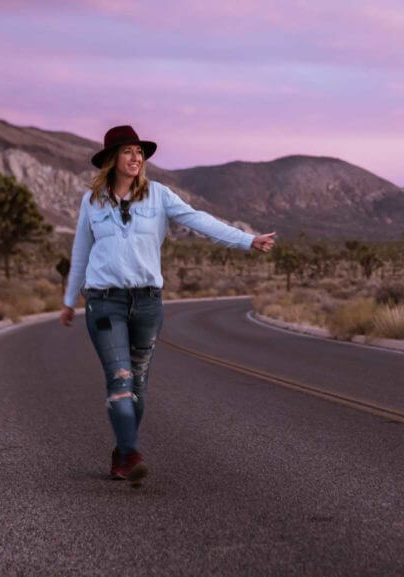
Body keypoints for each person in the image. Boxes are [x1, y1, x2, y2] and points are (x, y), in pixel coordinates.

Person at [59, 125, 276, 486]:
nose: (136, 158)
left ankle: (122, 450)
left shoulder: (159, 196)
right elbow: (81, 251)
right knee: (120, 377)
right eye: (128, 151)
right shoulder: (92, 202)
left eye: (139, 152)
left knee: (139, 382)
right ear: (112, 159)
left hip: (146, 302)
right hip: (104, 301)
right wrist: (69, 300)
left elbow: (199, 221)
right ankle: (130, 453)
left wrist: (246, 240)